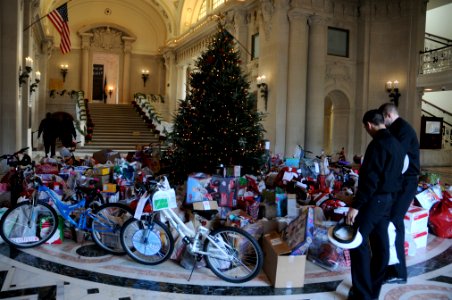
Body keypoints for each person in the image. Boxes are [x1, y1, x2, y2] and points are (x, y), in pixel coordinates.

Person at [346, 109, 405, 300]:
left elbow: (370, 180)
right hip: (388, 200)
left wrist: (356, 206)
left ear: (369, 125)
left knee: (357, 241)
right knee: (381, 246)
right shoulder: (396, 143)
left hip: (374, 200)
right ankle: (373, 291)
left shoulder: (377, 145)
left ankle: (362, 295)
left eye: (366, 128)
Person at [379, 102, 420, 284]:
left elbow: (396, 156)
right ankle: (395, 268)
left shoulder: (402, 129)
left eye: (382, 118)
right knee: (394, 222)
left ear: (387, 115)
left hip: (406, 182)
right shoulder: (399, 128)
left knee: (394, 222)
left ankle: (398, 272)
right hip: (402, 182)